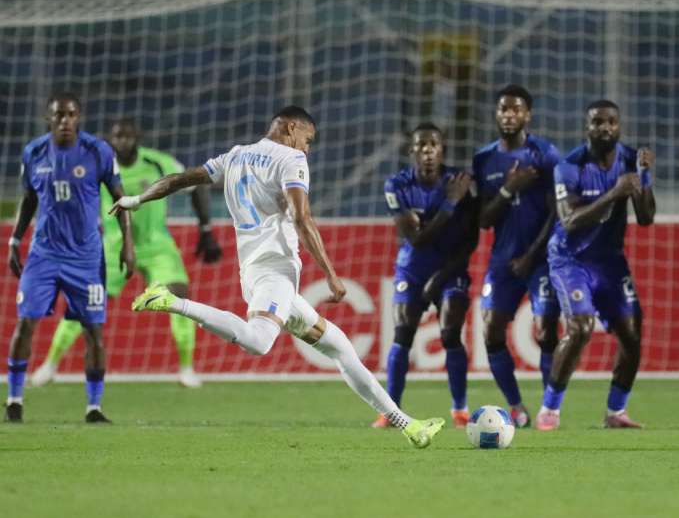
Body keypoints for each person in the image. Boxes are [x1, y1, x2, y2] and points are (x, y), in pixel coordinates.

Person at [111, 106, 445, 448]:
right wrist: (331, 275)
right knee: (258, 341)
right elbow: (302, 219)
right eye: (308, 139)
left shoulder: (236, 156)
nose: (308, 149)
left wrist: (137, 198)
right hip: (275, 272)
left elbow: (181, 180)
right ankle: (172, 302)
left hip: (255, 272)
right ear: (289, 127)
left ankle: (409, 426)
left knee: (340, 347)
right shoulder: (290, 160)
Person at [30, 118, 222, 388]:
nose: (121, 141)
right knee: (85, 303)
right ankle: (49, 365)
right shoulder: (97, 165)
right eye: (116, 136)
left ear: (137, 138)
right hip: (113, 247)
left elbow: (198, 183)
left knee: (179, 296)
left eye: (127, 136)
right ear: (111, 138)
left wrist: (205, 228)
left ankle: (186, 368)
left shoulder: (157, 163)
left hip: (157, 247)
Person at [5, 92, 135, 423]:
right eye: (59, 115)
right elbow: (29, 199)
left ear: (80, 117)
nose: (65, 120)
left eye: (71, 114)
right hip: (44, 255)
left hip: (86, 259)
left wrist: (127, 245)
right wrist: (15, 240)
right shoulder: (34, 152)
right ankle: (14, 401)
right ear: (49, 119)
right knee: (25, 323)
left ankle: (94, 407)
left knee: (93, 330)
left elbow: (121, 199)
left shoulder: (98, 151)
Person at [537, 100, 656, 431]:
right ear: (587, 128)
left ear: (619, 126)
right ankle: (550, 410)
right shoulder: (569, 166)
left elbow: (646, 218)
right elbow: (570, 220)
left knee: (632, 336)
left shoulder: (631, 160)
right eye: (598, 122)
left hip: (609, 261)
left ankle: (616, 413)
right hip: (569, 259)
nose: (606, 127)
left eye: (612, 122)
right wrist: (615, 193)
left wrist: (644, 179)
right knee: (580, 327)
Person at [375, 122, 479, 429]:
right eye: (421, 146)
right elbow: (416, 239)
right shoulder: (397, 185)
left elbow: (471, 238)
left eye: (433, 145)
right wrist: (449, 204)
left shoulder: (461, 182)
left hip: (451, 270)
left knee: (449, 333)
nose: (427, 151)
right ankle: (391, 412)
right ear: (412, 151)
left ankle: (460, 409)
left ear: (442, 148)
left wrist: (442, 274)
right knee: (403, 332)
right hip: (413, 268)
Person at [472, 84, 561, 428]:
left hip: (540, 260)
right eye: (503, 110)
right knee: (491, 331)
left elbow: (557, 212)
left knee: (546, 332)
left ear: (528, 114)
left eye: (516, 109)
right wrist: (510, 188)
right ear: (496, 115)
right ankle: (517, 407)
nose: (509, 115)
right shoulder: (484, 160)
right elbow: (484, 220)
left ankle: (549, 409)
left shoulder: (546, 154)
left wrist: (532, 254)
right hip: (503, 262)